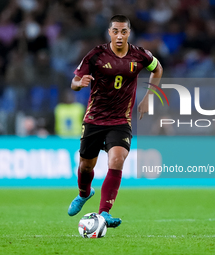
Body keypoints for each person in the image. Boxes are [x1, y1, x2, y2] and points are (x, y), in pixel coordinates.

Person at [68, 15, 163, 228]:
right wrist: (79, 83)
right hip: (94, 119)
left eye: (123, 32)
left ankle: (104, 213)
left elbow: (157, 69)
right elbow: (74, 81)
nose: (119, 36)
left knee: (117, 160)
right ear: (109, 33)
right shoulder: (96, 55)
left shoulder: (140, 55)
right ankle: (84, 194)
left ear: (129, 33)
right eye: (115, 31)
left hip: (121, 120)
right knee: (85, 166)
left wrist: (149, 97)